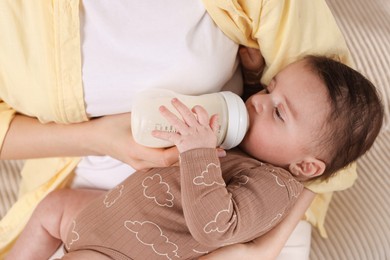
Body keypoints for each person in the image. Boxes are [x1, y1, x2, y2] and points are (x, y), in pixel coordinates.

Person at [0, 0, 361, 259]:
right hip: (112, 211)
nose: (258, 102)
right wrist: (253, 78)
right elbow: (272, 111)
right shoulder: (260, 137)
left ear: (305, 167)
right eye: (268, 89)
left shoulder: (274, 187)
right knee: (52, 210)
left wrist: (199, 153)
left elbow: (216, 227)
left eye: (278, 111)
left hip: (139, 250)